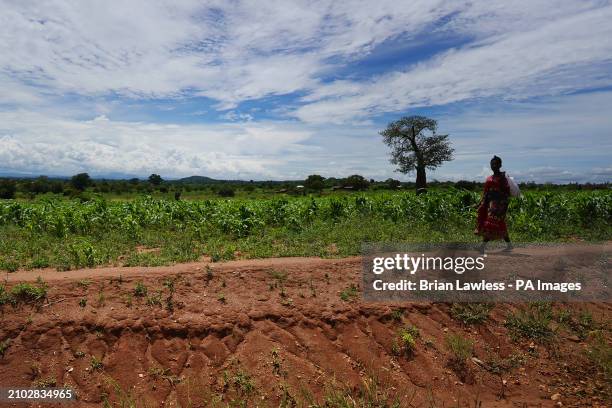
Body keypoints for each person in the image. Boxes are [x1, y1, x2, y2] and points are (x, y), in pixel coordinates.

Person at [475, 155, 512, 252]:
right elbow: (485, 193)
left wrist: (498, 195)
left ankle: (482, 247)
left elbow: (507, 192)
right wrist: (479, 203)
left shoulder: (503, 178)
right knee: (499, 223)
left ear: (500, 165)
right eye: (492, 164)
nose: (493, 166)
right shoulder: (489, 179)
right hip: (492, 203)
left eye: (495, 164)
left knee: (491, 223)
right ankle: (509, 245)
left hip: (501, 204)